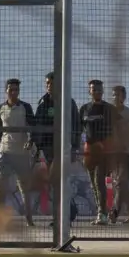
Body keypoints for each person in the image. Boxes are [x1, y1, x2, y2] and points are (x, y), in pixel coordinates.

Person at [33, 72, 82, 226]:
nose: (49, 86)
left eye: (52, 83)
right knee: (57, 183)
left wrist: (74, 147)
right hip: (48, 148)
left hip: (63, 148)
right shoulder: (43, 102)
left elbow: (76, 126)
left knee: (55, 180)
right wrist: (36, 145)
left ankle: (62, 216)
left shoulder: (68, 101)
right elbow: (37, 125)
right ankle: (68, 211)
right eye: (47, 83)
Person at [0, 79, 38, 226]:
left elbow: (33, 127)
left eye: (16, 90)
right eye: (11, 89)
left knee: (25, 188)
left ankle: (29, 219)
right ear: (6, 90)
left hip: (21, 153)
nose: (13, 92)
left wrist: (30, 142)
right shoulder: (1, 108)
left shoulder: (25, 107)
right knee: (1, 186)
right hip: (5, 152)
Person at [78, 80, 117, 227]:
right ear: (90, 91)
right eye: (94, 90)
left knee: (99, 180)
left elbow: (116, 129)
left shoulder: (109, 109)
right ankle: (102, 210)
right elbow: (79, 129)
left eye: (99, 90)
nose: (97, 92)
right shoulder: (84, 109)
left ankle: (103, 214)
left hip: (104, 149)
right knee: (93, 183)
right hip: (89, 150)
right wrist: (79, 146)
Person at [107, 85, 129, 224]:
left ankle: (115, 212)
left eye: (119, 95)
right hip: (112, 153)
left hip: (127, 153)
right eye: (114, 95)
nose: (116, 97)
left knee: (121, 183)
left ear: (124, 97)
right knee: (120, 184)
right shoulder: (108, 113)